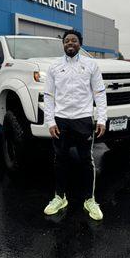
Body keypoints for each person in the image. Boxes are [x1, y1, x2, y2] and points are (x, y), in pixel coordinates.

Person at [43, 30, 107, 220]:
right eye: (67, 41)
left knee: (86, 161)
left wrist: (102, 118)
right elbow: (49, 96)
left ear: (80, 44)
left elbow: (99, 93)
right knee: (60, 159)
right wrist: (50, 121)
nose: (70, 43)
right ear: (63, 44)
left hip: (83, 119)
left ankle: (90, 200)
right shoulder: (54, 67)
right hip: (61, 120)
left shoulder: (91, 65)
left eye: (74, 40)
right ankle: (59, 197)